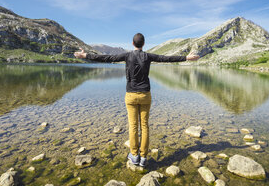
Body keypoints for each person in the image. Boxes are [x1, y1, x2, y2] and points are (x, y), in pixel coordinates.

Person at [74, 33, 199, 167]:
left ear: (133, 44)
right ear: (143, 44)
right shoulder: (148, 56)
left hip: (131, 96)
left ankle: (134, 156)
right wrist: (186, 57)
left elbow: (106, 58)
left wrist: (85, 55)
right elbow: (165, 58)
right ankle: (144, 158)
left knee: (133, 126)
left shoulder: (127, 55)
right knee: (144, 126)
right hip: (145, 95)